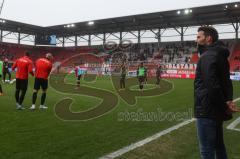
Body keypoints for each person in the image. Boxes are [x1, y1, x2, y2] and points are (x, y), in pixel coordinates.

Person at [194, 26, 239, 159]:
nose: (196, 39)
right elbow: (226, 81)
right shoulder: (220, 55)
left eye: (199, 37)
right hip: (216, 111)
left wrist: (225, 106)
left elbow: (211, 86)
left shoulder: (208, 56)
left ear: (208, 38)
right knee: (219, 147)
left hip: (207, 110)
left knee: (206, 150)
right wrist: (228, 100)